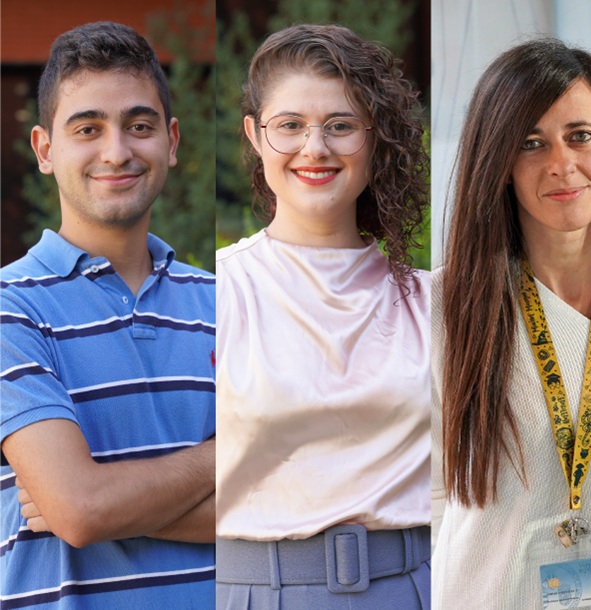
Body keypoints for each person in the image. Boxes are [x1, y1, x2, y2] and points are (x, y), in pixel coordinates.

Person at [0, 21, 215, 609]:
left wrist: (96, 504)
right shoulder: (9, 308)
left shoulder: (230, 304)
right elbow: (78, 508)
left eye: (138, 126)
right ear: (45, 149)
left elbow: (285, 496)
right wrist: (227, 456)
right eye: (88, 128)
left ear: (171, 141)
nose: (117, 151)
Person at [215, 24, 430, 609]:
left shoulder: (436, 300)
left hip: (421, 586)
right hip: (258, 589)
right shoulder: (216, 291)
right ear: (255, 138)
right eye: (290, 126)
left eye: (340, 125)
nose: (315, 148)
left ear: (374, 138)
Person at [432, 39, 591, 609]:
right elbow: (423, 501)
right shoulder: (443, 308)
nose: (561, 163)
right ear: (499, 164)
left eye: (580, 136)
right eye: (531, 143)